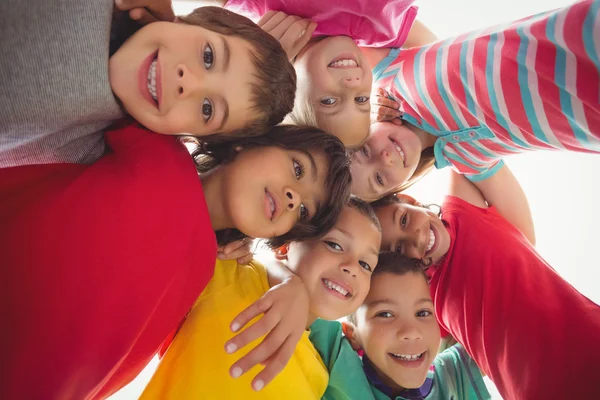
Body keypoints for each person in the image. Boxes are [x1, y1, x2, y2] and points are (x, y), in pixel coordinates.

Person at [0, 123, 351, 399]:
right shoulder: (155, 143)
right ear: (250, 140)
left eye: (304, 209)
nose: (293, 197)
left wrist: (295, 285)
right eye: (297, 168)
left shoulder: (210, 275)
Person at [371, 170, 600, 399]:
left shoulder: (462, 209)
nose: (417, 238)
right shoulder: (425, 295)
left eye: (404, 219)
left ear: (411, 201)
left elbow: (462, 147)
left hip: (588, 341)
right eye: (399, 249)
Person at [352, 0, 600, 201]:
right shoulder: (465, 160)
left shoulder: (389, 75)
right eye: (379, 180)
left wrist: (362, 104)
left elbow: (352, 25)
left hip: (585, 35)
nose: (383, 158)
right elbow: (523, 233)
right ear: (400, 189)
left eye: (364, 150)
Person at [0, 1, 296, 167]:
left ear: (186, 136)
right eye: (208, 56)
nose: (187, 83)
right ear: (189, 20)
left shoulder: (83, 154)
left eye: (207, 109)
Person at [139, 198, 382, 398]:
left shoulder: (320, 377)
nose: (352, 268)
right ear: (285, 245)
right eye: (335, 245)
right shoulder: (231, 268)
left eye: (365, 264)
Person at [308, 251, 490, 399]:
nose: (411, 332)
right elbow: (301, 274)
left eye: (423, 313)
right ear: (352, 334)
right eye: (385, 314)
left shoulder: (453, 374)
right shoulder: (338, 358)